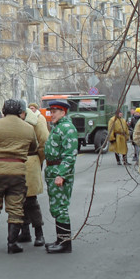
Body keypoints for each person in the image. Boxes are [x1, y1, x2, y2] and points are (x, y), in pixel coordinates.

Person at [0, 99, 38, 254]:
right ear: (20, 112)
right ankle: (12, 244)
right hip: (17, 173)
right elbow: (33, 148)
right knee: (16, 208)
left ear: (3, 111)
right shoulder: (28, 128)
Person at [43, 100, 79, 254]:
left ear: (63, 112)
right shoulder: (58, 127)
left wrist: (61, 175)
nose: (52, 115)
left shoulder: (67, 128)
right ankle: (60, 240)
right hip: (53, 171)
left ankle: (65, 244)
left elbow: (70, 155)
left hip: (59, 173)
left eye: (55, 112)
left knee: (61, 208)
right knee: (57, 208)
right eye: (51, 112)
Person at [20, 100, 48, 247]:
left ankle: (39, 233)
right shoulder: (17, 120)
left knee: (31, 201)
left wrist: (37, 160)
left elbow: (44, 141)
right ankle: (25, 232)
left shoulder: (37, 120)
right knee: (19, 200)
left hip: (30, 162)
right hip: (17, 164)